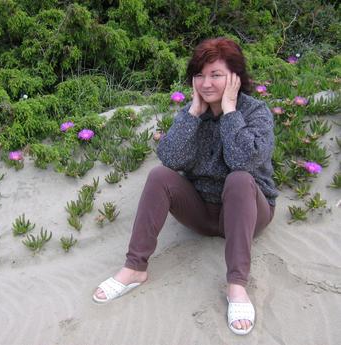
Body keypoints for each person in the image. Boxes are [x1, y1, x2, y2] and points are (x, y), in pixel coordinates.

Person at [92, 37, 278, 335]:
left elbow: (244, 161)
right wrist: (192, 114)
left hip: (248, 212)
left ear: (236, 77)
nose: (206, 83)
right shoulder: (194, 112)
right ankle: (135, 267)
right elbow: (170, 158)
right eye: (200, 75)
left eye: (216, 75)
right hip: (203, 212)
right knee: (158, 176)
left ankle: (237, 285)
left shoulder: (256, 112)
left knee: (239, 179)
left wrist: (229, 112)